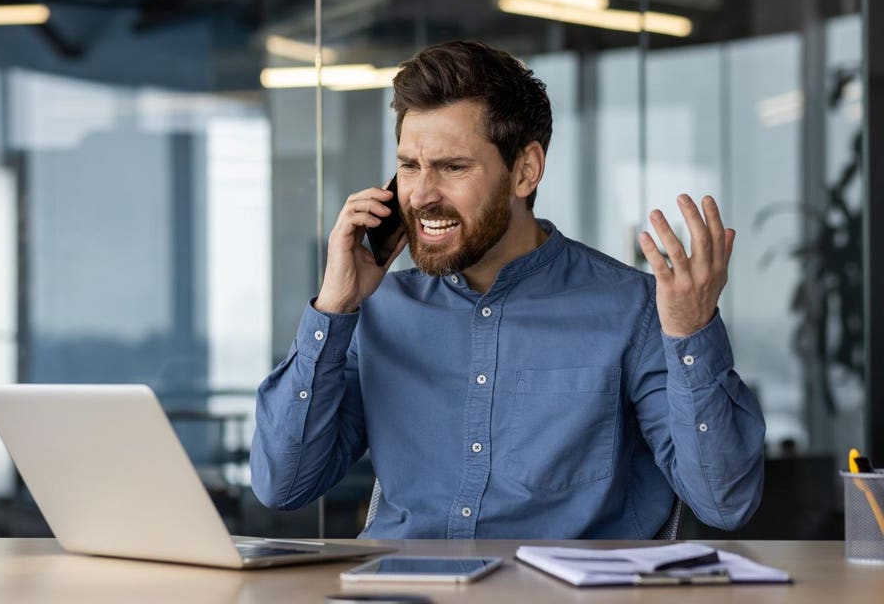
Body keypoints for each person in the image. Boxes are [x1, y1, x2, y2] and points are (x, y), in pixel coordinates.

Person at [250, 40, 765, 539]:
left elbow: (725, 503)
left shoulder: (633, 310)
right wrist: (333, 308)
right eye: (409, 166)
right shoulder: (377, 310)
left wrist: (691, 331)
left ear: (525, 170)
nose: (422, 195)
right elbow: (284, 485)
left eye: (453, 167)